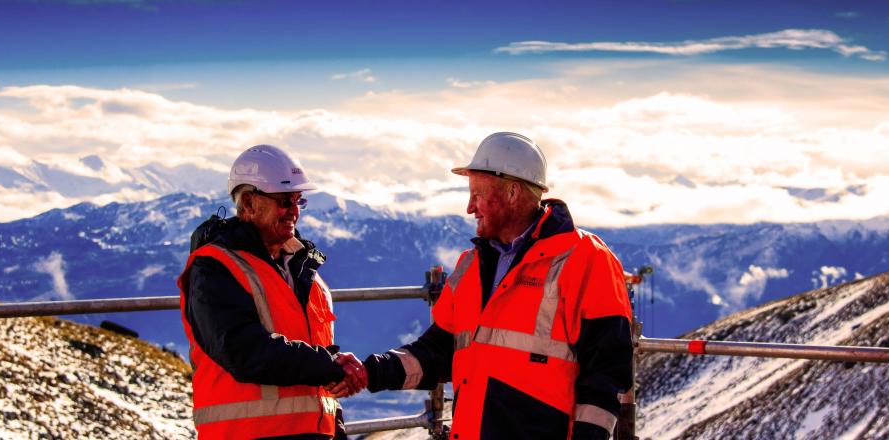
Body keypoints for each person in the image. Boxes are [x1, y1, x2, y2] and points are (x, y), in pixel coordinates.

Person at [362, 132, 634, 440]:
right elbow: (437, 351)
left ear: (514, 193)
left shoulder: (586, 260)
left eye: (477, 195)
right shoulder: (470, 265)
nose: (469, 207)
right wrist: (370, 371)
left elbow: (607, 371)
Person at [177, 144, 367, 440]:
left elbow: (317, 374)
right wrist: (329, 366)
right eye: (284, 201)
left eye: (298, 200)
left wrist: (335, 422)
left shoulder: (304, 271)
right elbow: (244, 351)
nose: (293, 210)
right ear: (249, 203)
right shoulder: (215, 267)